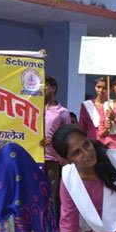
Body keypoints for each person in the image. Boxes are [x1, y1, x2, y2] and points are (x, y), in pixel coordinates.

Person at [41, 76, 71, 213]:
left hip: (53, 159)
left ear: (53, 89)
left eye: (46, 86)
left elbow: (67, 136)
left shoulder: (62, 112)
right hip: (34, 158)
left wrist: (53, 143)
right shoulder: (33, 109)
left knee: (51, 195)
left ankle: (51, 226)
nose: (43, 88)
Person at [78, 77, 109, 142]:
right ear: (95, 87)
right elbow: (81, 127)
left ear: (110, 89)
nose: (101, 90)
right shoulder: (86, 105)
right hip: (92, 142)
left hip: (109, 142)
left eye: (104, 88)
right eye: (98, 87)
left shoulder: (112, 104)